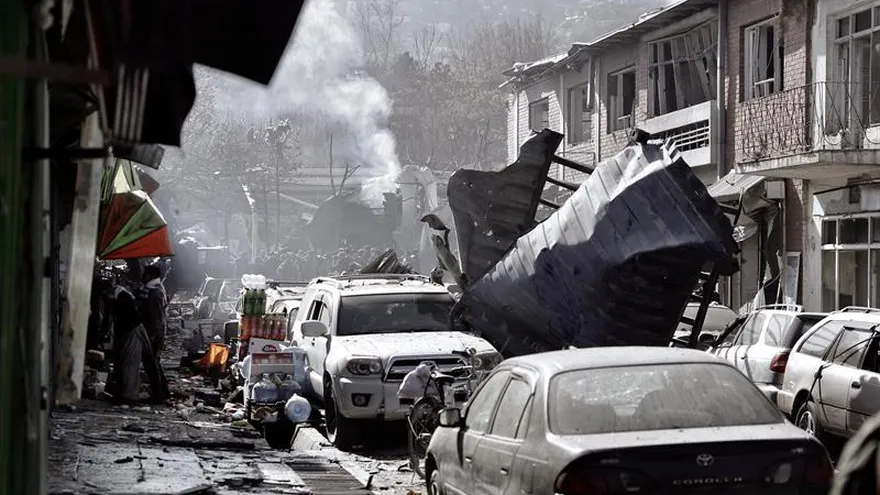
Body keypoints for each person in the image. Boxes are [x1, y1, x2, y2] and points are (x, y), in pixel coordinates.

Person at [139, 264, 168, 356]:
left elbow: (156, 316)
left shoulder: (154, 292)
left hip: (154, 330)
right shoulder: (157, 288)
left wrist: (152, 335)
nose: (143, 276)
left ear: (152, 276)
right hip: (156, 329)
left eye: (145, 274)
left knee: (151, 358)